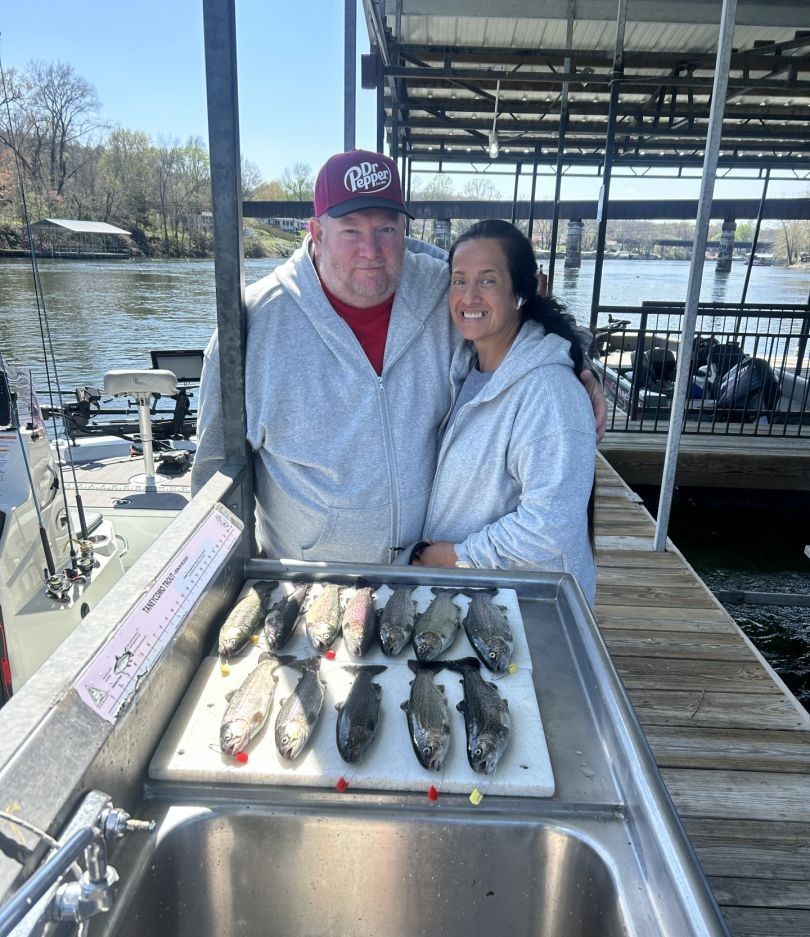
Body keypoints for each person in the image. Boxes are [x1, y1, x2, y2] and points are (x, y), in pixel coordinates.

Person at [191, 149, 605, 566]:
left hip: (424, 578)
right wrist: (231, 578)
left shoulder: (445, 286)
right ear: (316, 232)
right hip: (312, 585)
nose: (372, 250)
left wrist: (576, 368)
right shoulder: (249, 329)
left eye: (387, 229)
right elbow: (215, 475)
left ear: (404, 229)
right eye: (351, 231)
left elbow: (518, 308)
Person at [413, 220, 596, 605]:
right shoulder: (466, 369)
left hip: (529, 611)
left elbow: (552, 527)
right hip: (476, 599)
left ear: (523, 292)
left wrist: (455, 557)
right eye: (459, 280)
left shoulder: (550, 392)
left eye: (489, 280)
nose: (469, 297)